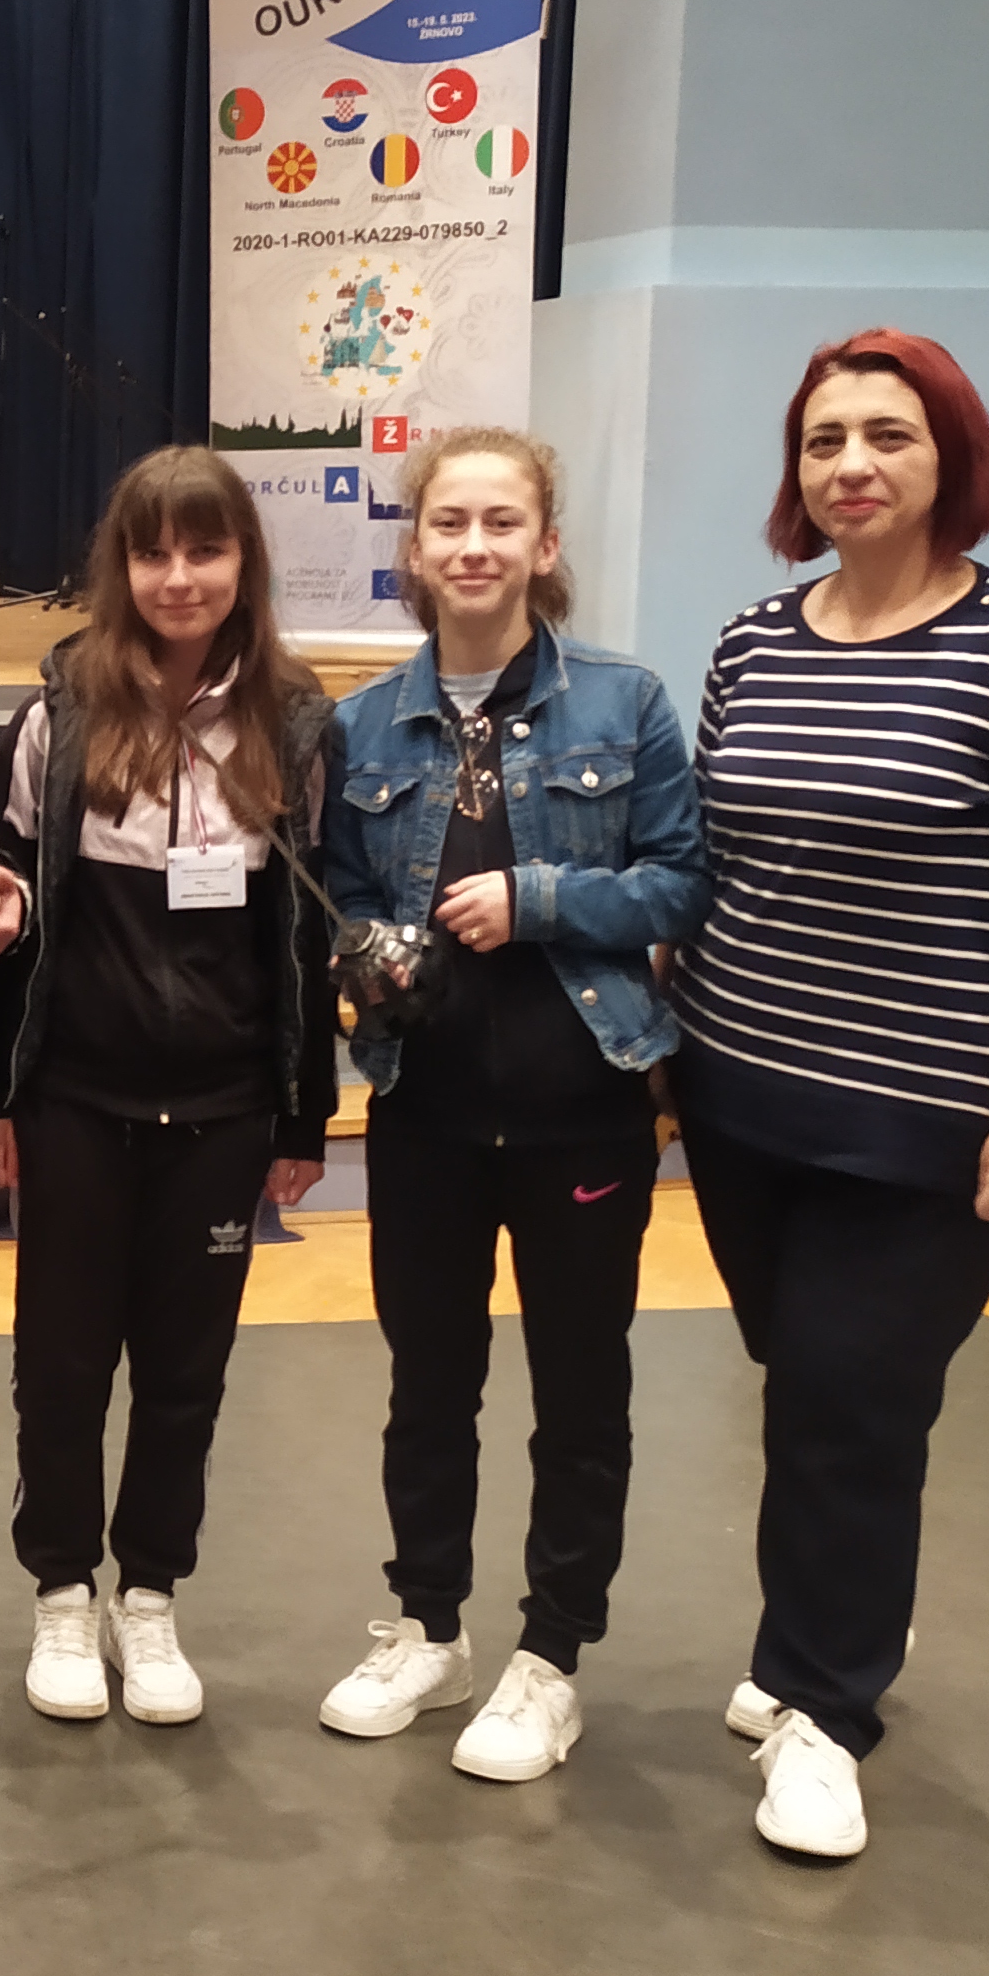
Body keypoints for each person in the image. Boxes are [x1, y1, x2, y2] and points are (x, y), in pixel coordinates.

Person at [671, 332, 989, 1862]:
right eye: (824, 441)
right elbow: (715, 857)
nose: (852, 464)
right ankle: (833, 1621)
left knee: (850, 1402)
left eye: (888, 435)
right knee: (804, 1387)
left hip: (921, 1116)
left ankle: (824, 1709)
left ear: (951, 459)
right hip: (740, 1097)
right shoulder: (753, 640)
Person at [312, 431, 708, 1780]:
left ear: (544, 545)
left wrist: (538, 900)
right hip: (423, 1116)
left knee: (579, 1391)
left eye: (500, 522)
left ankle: (550, 1657)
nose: (473, 546)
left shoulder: (627, 703)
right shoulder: (364, 724)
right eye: (449, 523)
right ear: (415, 549)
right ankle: (428, 1627)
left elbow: (679, 882)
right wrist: (365, 950)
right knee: (427, 1385)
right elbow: (341, 892)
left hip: (582, 1111)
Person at [0, 450, 333, 1726]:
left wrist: (299, 1113)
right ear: (118, 567)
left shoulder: (294, 723)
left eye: (204, 550)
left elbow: (301, 942)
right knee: (59, 1365)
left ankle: (150, 1594)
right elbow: (0, 921)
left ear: (242, 564)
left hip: (221, 1114)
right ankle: (63, 1590)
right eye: (151, 552)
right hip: (72, 1103)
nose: (178, 577)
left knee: (185, 1373)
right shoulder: (54, 718)